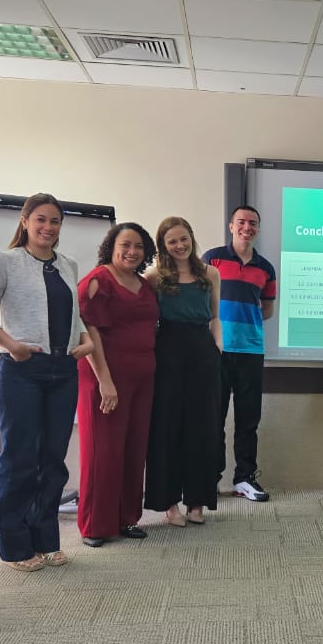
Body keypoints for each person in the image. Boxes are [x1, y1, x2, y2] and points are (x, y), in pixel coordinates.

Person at [0, 193, 92, 572]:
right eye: (40, 220)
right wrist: (11, 345)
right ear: (25, 221)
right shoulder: (4, 262)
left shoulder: (68, 265)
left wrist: (85, 342)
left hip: (63, 371)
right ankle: (14, 545)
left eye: (55, 221)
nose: (48, 228)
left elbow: (72, 315)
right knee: (20, 458)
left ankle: (46, 537)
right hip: (22, 370)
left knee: (53, 459)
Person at [75, 222, 159, 547]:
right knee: (103, 451)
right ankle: (95, 525)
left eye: (138, 246)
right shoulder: (99, 281)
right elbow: (88, 329)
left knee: (133, 449)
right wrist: (105, 381)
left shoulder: (143, 284)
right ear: (112, 245)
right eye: (125, 244)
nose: (132, 251)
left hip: (142, 377)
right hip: (105, 377)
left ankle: (126, 518)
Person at [145, 217, 223, 526]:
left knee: (202, 426)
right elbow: (149, 322)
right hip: (168, 352)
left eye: (183, 239)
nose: (179, 246)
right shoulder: (154, 277)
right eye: (172, 241)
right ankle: (169, 504)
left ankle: (197, 501)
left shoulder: (211, 273)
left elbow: (215, 316)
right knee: (167, 427)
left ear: (191, 238)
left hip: (203, 352)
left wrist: (217, 346)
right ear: (163, 246)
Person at [203, 206, 276, 502]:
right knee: (213, 417)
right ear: (231, 225)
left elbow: (267, 309)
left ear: (257, 228)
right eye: (242, 222)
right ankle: (209, 477)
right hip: (216, 349)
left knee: (248, 419)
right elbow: (199, 299)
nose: (247, 227)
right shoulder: (212, 258)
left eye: (253, 223)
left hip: (250, 352)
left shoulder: (266, 268)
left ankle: (244, 478)